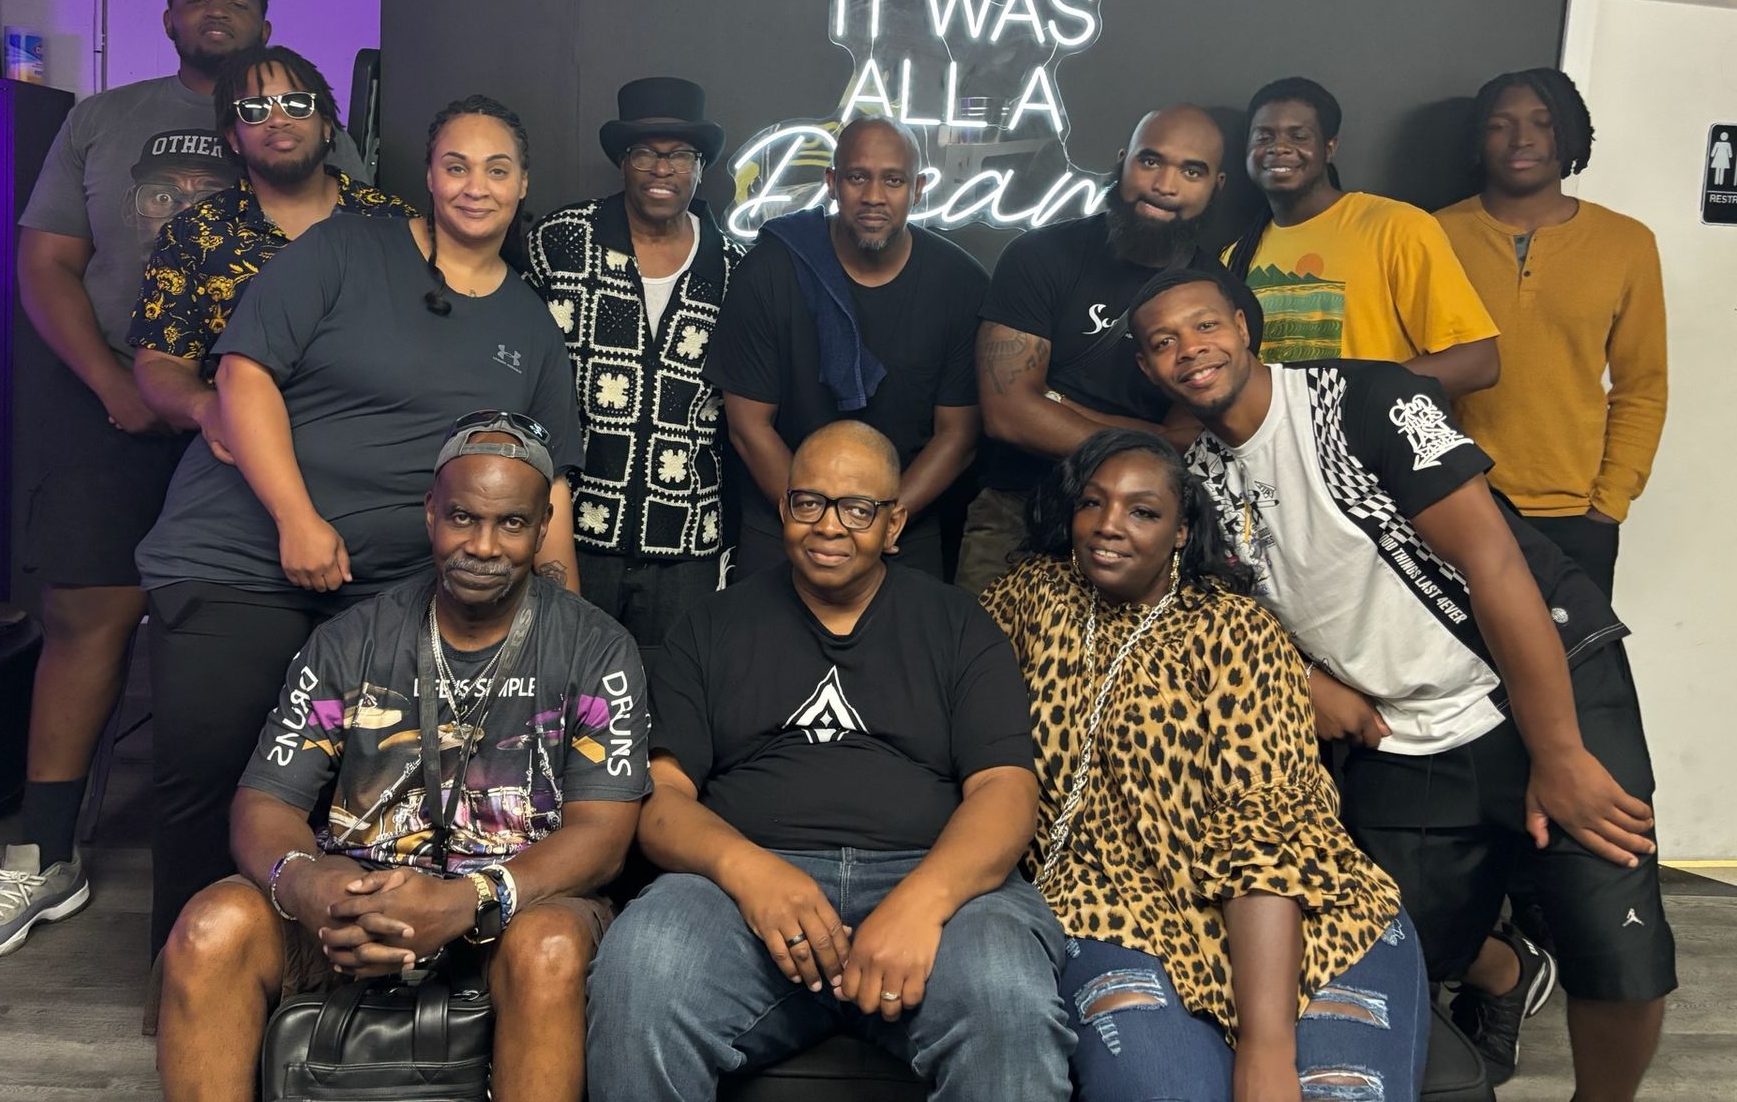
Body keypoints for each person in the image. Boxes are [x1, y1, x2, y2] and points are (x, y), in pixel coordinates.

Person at [1130, 269, 1673, 1098]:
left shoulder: (1368, 399)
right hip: (1398, 724)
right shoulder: (1195, 476)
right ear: (1146, 369)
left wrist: (1557, 753)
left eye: (1204, 327)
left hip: (1536, 678)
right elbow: (1231, 614)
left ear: (1246, 326)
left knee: (1618, 949)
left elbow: (1494, 566)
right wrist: (1306, 679)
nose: (1189, 351)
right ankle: (1505, 970)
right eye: (1163, 342)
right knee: (1391, 952)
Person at [0, 0, 318, 967]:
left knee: (255, 628)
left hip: (253, 426)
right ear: (166, 17)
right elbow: (47, 262)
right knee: (88, 619)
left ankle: (263, 859)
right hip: (112, 408)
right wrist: (115, 382)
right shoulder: (103, 120)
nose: (216, 11)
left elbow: (344, 254)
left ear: (267, 19)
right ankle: (43, 856)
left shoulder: (294, 115)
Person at [134, 96, 584, 956]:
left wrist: (555, 626)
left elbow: (545, 487)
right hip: (239, 556)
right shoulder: (344, 248)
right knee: (213, 771)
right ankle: (190, 977)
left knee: (356, 789)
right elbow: (242, 375)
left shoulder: (529, 325)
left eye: (497, 169)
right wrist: (297, 519)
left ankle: (310, 978)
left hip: (382, 592)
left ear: (524, 185)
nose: (475, 186)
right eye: (456, 165)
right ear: (429, 174)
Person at [156, 416, 646, 1102]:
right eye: (462, 518)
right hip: (352, 904)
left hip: (514, 908)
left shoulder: (597, 649)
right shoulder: (350, 640)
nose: (482, 545)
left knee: (551, 950)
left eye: (510, 524)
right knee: (210, 930)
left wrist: (466, 900)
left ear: (542, 530)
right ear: (430, 516)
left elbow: (604, 837)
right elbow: (264, 802)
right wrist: (311, 887)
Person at [584, 420, 1074, 1101]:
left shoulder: (959, 626)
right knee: (644, 967)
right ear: (785, 508)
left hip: (936, 884)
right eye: (807, 501)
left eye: (857, 508)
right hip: (740, 889)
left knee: (1006, 997)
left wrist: (920, 905)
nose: (828, 526)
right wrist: (751, 874)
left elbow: (1006, 791)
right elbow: (660, 800)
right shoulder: (710, 626)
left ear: (894, 523)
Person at [982, 430, 1426, 1101]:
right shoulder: (1029, 598)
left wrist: (1266, 1045)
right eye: (1093, 504)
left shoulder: (1236, 632)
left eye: (1143, 512)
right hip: (1110, 908)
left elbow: (1268, 843)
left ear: (1183, 531)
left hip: (1304, 921)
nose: (1109, 526)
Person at [960, 103, 1260, 596]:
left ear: (1217, 186)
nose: (1165, 184)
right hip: (1017, 509)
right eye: (1150, 161)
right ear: (1123, 162)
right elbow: (1008, 415)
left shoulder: (1225, 304)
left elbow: (1184, 443)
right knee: (976, 665)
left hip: (1142, 525)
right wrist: (1150, 433)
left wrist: (1058, 404)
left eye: (1191, 171)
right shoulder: (1039, 257)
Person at [707, 118, 987, 578]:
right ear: (833, 183)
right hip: (785, 518)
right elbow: (748, 426)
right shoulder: (771, 270)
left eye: (893, 180)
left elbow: (957, 436)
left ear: (917, 189)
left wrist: (881, 524)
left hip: (903, 524)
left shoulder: (960, 283)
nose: (874, 195)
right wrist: (817, 521)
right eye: (857, 177)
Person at [524, 77, 745, 650]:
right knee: (564, 695)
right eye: (644, 152)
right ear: (623, 162)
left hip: (688, 537)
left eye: (680, 156)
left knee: (675, 702)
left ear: (701, 168)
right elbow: (519, 374)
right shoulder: (561, 240)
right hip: (576, 528)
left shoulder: (735, 267)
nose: (661, 169)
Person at [1436, 68, 1667, 600]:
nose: (1522, 139)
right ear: (1479, 137)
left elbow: (1642, 387)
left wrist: (1608, 505)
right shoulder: (1433, 234)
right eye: (1501, 124)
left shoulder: (1627, 244)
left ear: (1570, 135)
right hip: (1456, 503)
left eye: (1543, 123)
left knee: (1573, 680)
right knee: (1462, 677)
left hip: (1575, 516)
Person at [129, 43, 414, 456]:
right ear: (234, 137)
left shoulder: (395, 223)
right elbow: (159, 365)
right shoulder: (192, 234)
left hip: (380, 448)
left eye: (297, 104)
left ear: (327, 126)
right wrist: (206, 408)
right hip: (240, 454)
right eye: (255, 110)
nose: (278, 119)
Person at [1225, 76, 1499, 397]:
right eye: (1264, 137)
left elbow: (1477, 362)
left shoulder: (1396, 226)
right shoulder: (1234, 257)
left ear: (1329, 148)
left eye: (1299, 136)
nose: (1279, 147)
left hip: (1369, 443)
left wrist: (1341, 395)